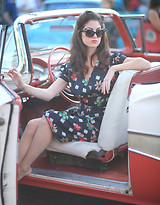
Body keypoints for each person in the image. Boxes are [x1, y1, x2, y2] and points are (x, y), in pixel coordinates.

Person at [8, 10, 151, 181]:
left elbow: (145, 63)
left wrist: (113, 69)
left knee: (49, 118)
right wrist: (23, 86)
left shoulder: (110, 60)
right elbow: (48, 94)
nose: (95, 36)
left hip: (97, 125)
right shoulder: (72, 67)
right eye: (89, 32)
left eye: (99, 32)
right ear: (79, 34)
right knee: (31, 124)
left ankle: (24, 168)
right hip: (80, 118)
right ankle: (12, 170)